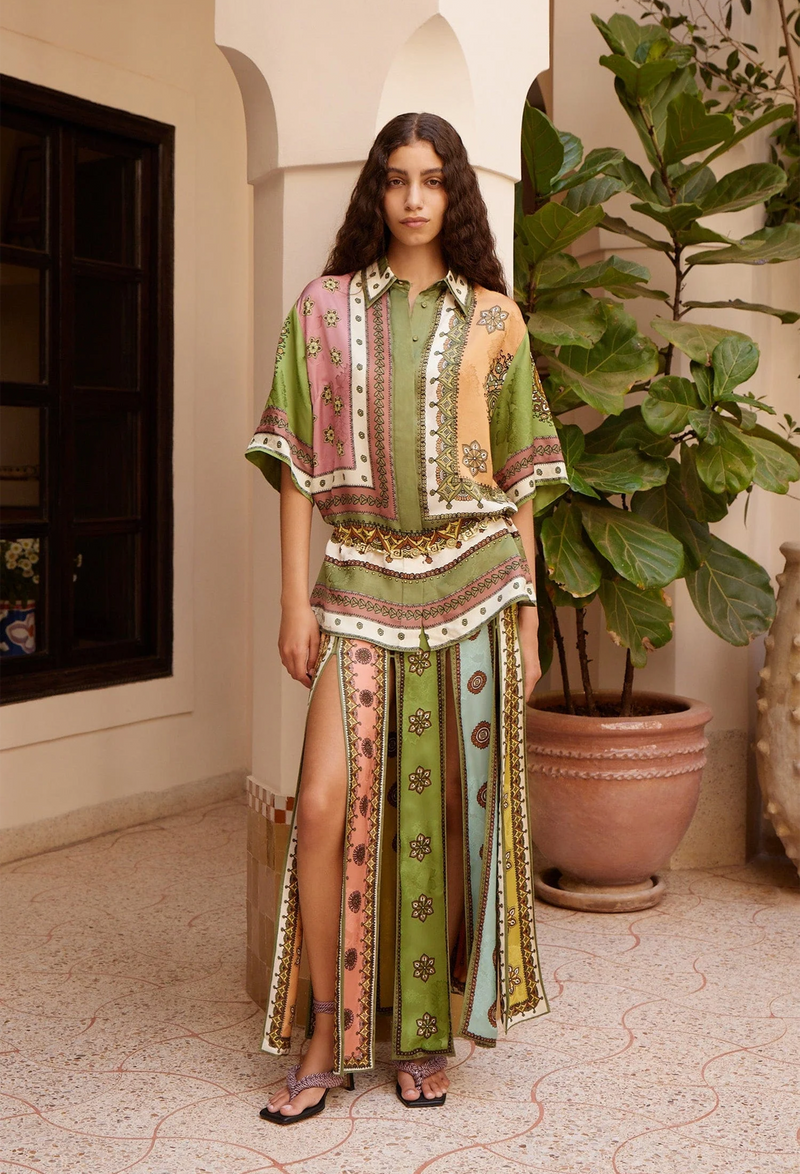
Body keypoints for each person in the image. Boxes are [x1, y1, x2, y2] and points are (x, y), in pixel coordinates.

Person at [245, 111, 567, 1125]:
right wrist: (295, 602)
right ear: (376, 193)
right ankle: (325, 1034)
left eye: (432, 180)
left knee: (445, 815)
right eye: (396, 180)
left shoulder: (494, 322)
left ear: (454, 192)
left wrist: (525, 619)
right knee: (325, 795)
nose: (414, 198)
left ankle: (424, 1037)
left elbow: (521, 480)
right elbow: (294, 464)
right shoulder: (322, 311)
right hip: (358, 586)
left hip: (474, 584)